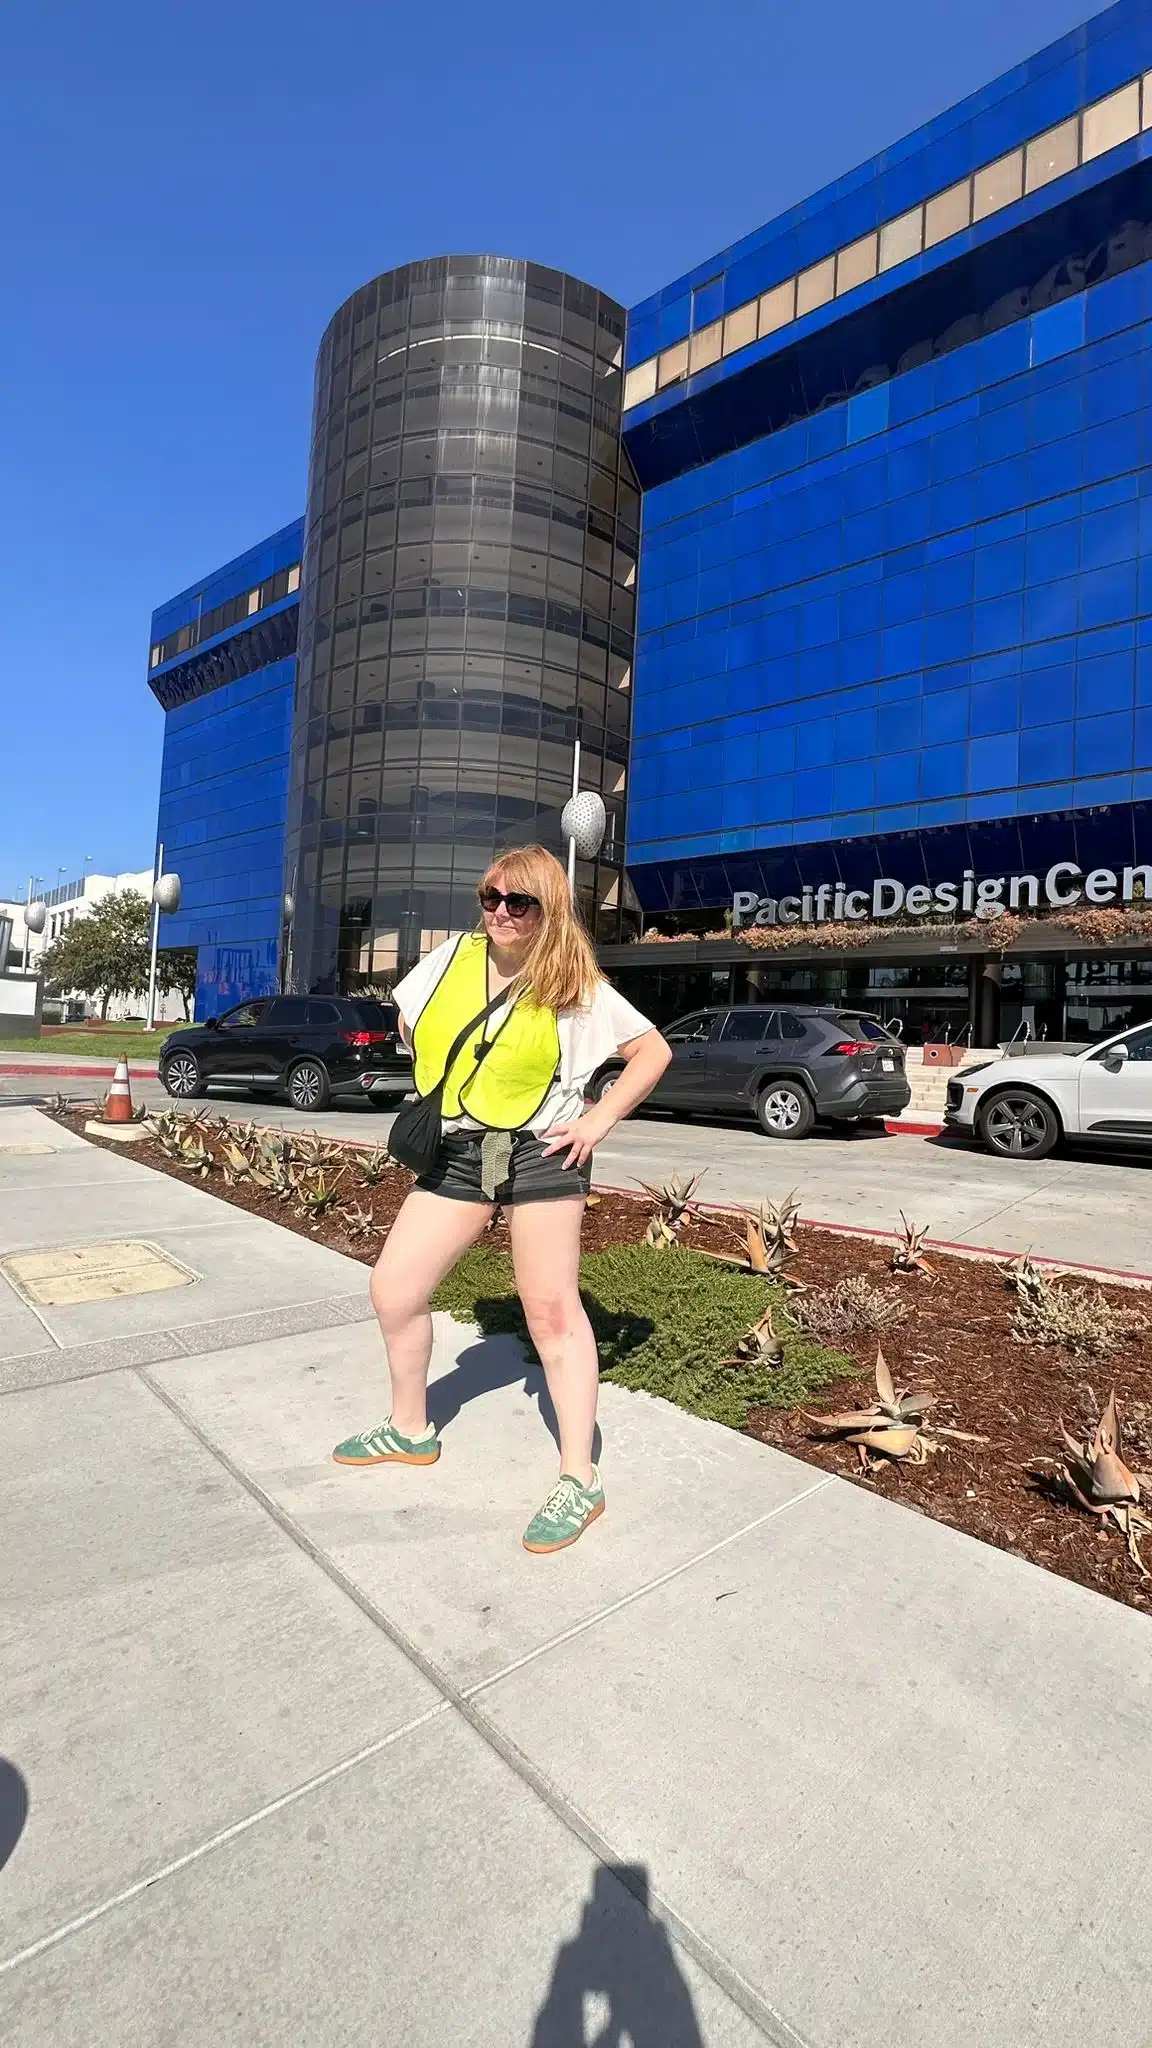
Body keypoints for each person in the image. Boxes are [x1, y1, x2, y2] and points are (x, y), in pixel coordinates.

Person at [332, 843, 671, 1554]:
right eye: (491, 898)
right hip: (458, 1151)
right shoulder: (451, 957)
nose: (502, 913)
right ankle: (410, 1428)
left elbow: (653, 1052)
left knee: (550, 1312)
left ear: (550, 910)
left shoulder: (575, 984)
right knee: (394, 1289)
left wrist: (598, 1118)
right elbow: (410, 1022)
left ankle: (579, 1479)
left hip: (540, 1152)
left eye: (521, 902)